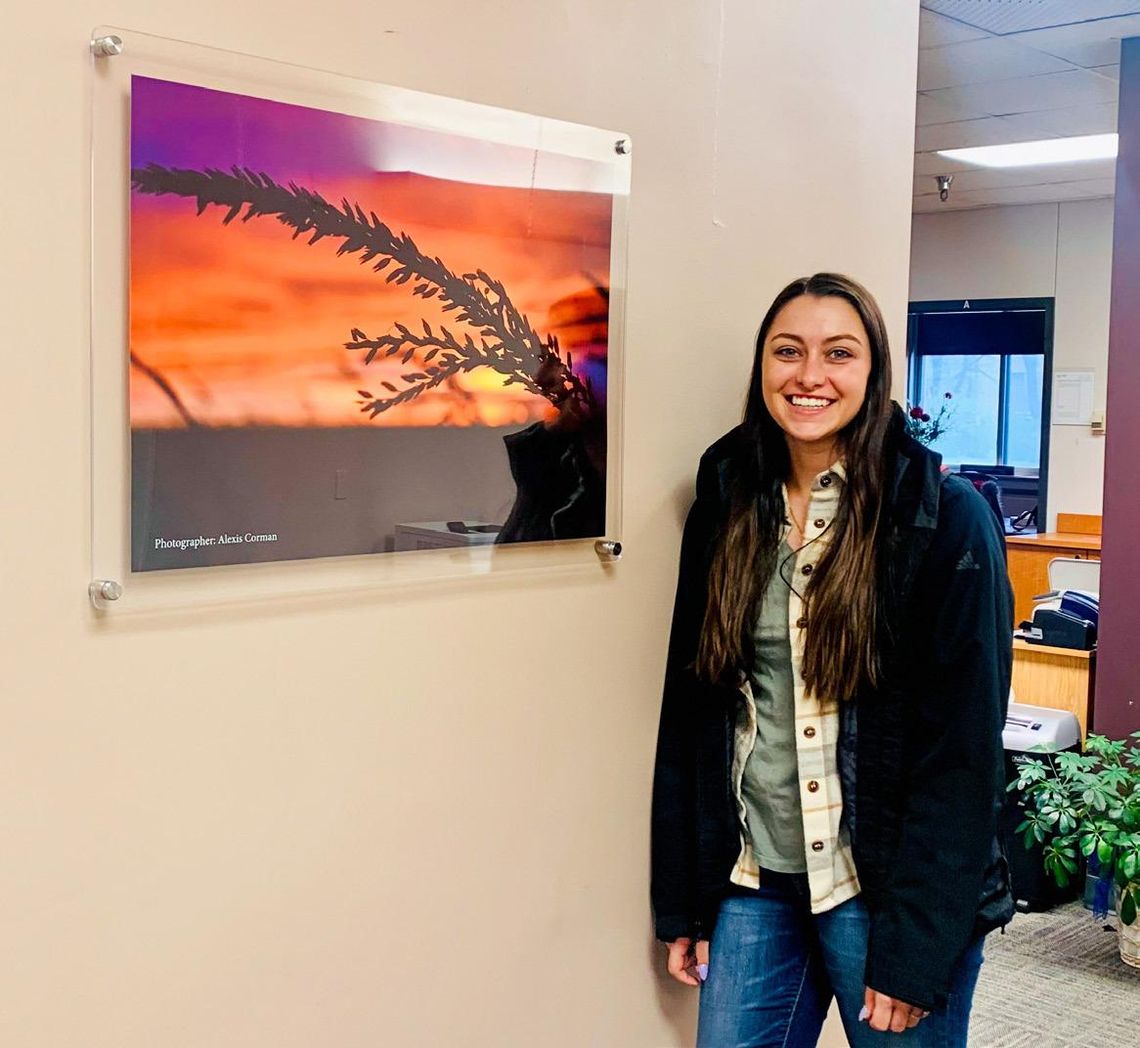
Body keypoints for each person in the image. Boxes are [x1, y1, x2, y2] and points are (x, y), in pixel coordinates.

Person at [650, 274, 1013, 1047]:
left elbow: (965, 752)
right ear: (762, 369)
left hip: (882, 890)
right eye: (788, 352)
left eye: (838, 354)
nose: (809, 376)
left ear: (875, 372)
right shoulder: (724, 507)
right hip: (757, 884)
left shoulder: (946, 521)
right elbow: (693, 714)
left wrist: (917, 947)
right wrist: (684, 899)